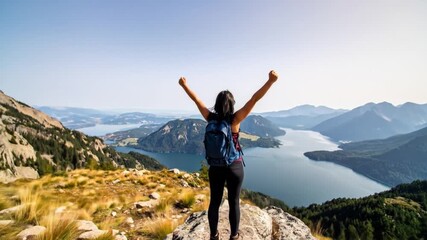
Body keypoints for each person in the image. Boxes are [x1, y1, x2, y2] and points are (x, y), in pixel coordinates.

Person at [178, 70, 279, 240]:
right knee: (233, 203)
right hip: (234, 166)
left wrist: (184, 85)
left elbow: (196, 99)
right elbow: (254, 99)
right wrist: (270, 82)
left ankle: (213, 235)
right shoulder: (235, 119)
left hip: (215, 167)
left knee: (214, 203)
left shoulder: (209, 117)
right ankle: (234, 236)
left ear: (216, 104)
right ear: (231, 104)